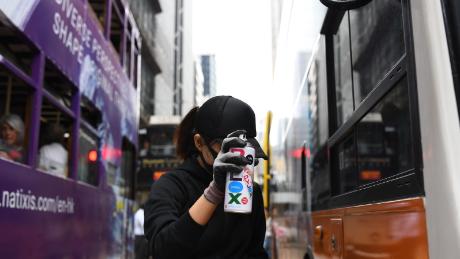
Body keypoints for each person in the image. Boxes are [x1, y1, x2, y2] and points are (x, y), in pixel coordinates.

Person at [144, 96, 269, 258]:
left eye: (242, 149)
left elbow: (255, 251)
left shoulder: (252, 192)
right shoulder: (171, 186)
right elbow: (163, 250)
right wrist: (214, 192)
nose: (231, 154)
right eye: (225, 146)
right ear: (199, 143)